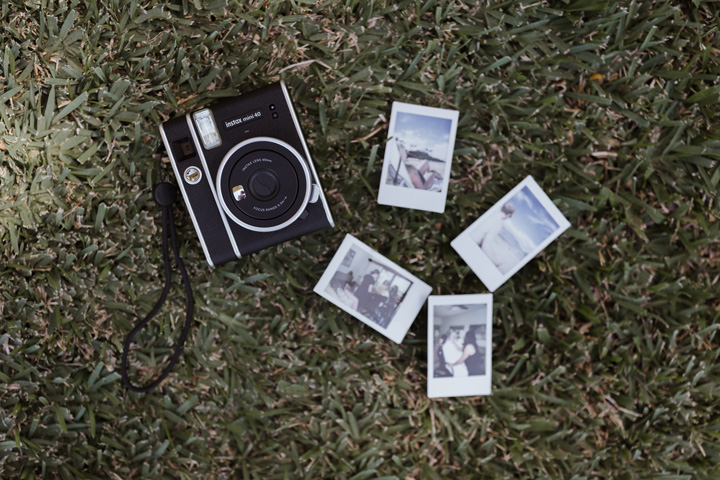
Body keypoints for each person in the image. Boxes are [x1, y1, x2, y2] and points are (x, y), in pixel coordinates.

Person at [473, 202, 522, 274]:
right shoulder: (498, 222)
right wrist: (496, 261)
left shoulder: (492, 212)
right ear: (508, 215)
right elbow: (485, 246)